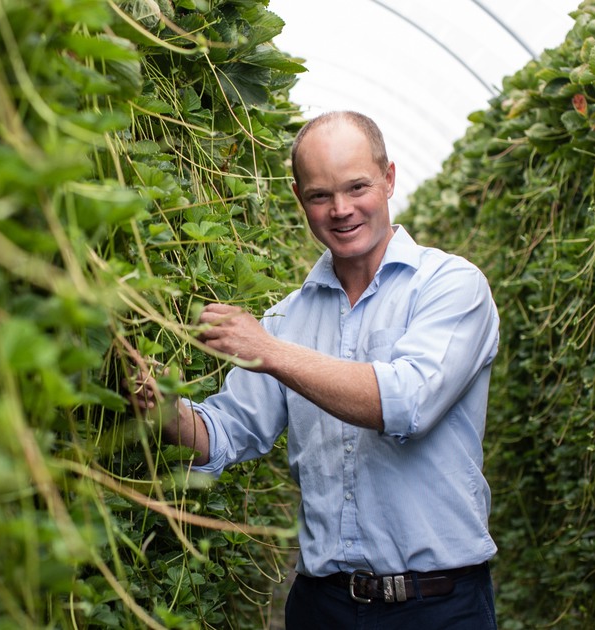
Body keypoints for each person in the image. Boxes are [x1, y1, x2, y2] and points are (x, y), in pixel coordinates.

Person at [131, 111, 501, 629]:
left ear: (389, 178)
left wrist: (271, 351)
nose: (341, 210)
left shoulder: (451, 286)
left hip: (439, 606)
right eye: (320, 195)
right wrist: (164, 409)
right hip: (323, 606)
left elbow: (406, 402)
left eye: (357, 187)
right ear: (299, 196)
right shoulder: (288, 317)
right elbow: (225, 433)